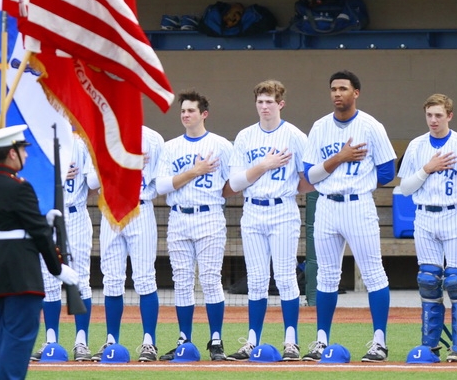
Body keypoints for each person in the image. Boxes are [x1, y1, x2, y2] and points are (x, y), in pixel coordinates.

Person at [0, 125, 79, 380]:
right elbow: (37, 232)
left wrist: (41, 222)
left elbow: (11, 221)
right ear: (12, 153)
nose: (26, 155)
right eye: (22, 150)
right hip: (19, 268)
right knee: (18, 338)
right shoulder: (19, 186)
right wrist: (57, 268)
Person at [302, 70, 396, 362]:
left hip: (358, 204)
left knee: (373, 274)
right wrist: (339, 158)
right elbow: (310, 175)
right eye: (333, 89)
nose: (337, 93)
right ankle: (321, 340)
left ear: (356, 93)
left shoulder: (370, 126)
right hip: (326, 204)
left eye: (343, 88)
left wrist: (360, 182)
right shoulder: (320, 127)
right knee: (326, 276)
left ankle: (379, 342)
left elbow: (387, 170)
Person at [226, 80, 311, 362]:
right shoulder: (245, 136)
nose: (264, 107)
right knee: (257, 279)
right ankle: (252, 341)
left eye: (269, 102)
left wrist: (285, 189)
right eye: (260, 102)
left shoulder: (295, 135)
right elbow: (235, 183)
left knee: (286, 277)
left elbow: (308, 179)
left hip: (283, 210)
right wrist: (264, 165)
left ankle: (291, 341)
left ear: (280, 104)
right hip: (253, 210)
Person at [155, 91, 235, 361]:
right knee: (181, 280)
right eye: (183, 111)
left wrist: (212, 195)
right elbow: (161, 186)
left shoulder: (221, 145)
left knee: (210, 279)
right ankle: (184, 340)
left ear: (204, 114)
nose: (186, 115)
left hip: (209, 215)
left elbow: (233, 183)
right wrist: (194, 171)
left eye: (191, 110)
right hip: (179, 215)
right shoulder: (170, 147)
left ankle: (216, 340)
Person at [398, 94, 457, 362]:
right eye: (429, 115)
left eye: (439, 115)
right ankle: (430, 345)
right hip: (425, 216)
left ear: (449, 116)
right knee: (428, 280)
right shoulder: (416, 145)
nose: (433, 120)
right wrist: (427, 169)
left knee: (456, 281)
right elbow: (405, 188)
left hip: (454, 215)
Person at [88, 126, 164, 363]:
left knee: (145, 278)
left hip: (140, 207)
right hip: (111, 209)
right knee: (111, 279)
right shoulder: (101, 136)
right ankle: (111, 340)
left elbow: (160, 182)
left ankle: (149, 342)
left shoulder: (153, 138)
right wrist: (121, 162)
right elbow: (92, 180)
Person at [31, 131, 96, 363]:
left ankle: (81, 342)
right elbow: (29, 180)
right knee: (49, 281)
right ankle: (51, 341)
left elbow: (92, 184)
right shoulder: (39, 142)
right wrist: (55, 176)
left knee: (81, 280)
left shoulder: (82, 143)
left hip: (75, 214)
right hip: (47, 215)